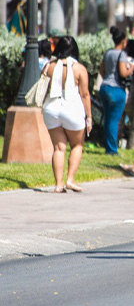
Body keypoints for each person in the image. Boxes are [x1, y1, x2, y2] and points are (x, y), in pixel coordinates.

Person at [42, 36, 93, 193]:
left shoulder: (48, 66)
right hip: (71, 108)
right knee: (77, 145)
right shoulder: (79, 68)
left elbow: (43, 87)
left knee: (58, 148)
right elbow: (84, 95)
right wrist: (89, 117)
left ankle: (58, 184)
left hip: (51, 108)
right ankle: (70, 180)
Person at [99, 26, 134, 155]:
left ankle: (108, 146)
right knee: (114, 121)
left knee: (108, 119)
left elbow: (101, 70)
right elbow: (123, 73)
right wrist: (132, 67)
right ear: (124, 41)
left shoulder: (108, 52)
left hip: (104, 87)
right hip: (116, 90)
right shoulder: (122, 55)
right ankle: (112, 150)